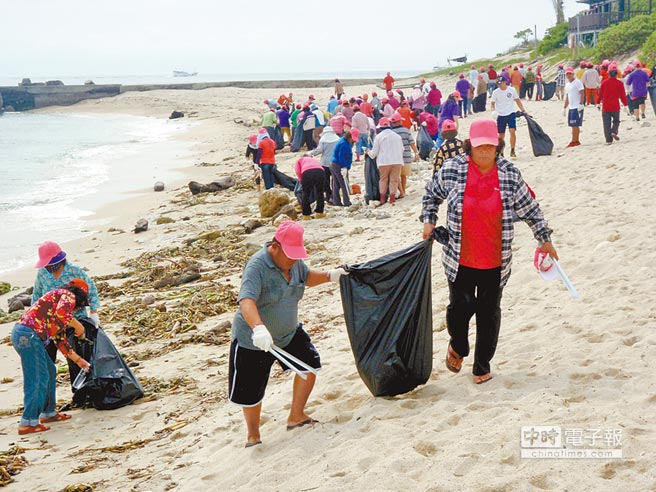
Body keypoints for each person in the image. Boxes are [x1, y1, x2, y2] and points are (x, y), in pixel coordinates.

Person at [421, 119, 557, 384]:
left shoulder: (509, 174)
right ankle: (459, 346)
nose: (485, 151)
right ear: (469, 146)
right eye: (480, 146)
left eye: (491, 147)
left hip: (495, 258)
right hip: (458, 256)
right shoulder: (452, 169)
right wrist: (428, 220)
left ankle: (482, 365)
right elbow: (430, 194)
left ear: (498, 147)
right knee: (459, 308)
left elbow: (530, 208)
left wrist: (544, 238)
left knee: (489, 312)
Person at [229, 221, 348, 447]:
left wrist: (331, 276)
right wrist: (259, 328)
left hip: (288, 334)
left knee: (309, 366)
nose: (293, 260)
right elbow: (246, 300)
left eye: (296, 256)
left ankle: (296, 416)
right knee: (251, 391)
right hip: (254, 340)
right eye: (289, 255)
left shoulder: (294, 264)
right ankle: (253, 435)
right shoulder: (257, 266)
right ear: (274, 246)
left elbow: (306, 276)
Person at [12, 279, 92, 435]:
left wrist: (79, 361)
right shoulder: (67, 295)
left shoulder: (57, 308)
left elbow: (60, 341)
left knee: (49, 371)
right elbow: (63, 313)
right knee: (38, 378)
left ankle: (48, 413)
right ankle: (27, 422)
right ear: (80, 295)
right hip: (28, 335)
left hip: (25, 334)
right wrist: (79, 326)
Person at [367, 117, 404, 206]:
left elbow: (374, 153)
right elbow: (402, 149)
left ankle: (383, 199)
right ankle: (392, 198)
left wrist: (368, 152)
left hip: (384, 161)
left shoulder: (379, 137)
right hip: (397, 160)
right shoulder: (397, 136)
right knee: (394, 180)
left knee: (383, 179)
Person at [490, 76, 527, 158]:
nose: (499, 85)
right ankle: (501, 153)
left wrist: (523, 110)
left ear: (504, 82)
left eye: (500, 83)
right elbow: (492, 103)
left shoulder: (511, 90)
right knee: (501, 135)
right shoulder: (495, 92)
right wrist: (493, 111)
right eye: (498, 84)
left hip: (511, 113)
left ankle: (512, 150)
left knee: (512, 131)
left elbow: (517, 100)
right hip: (500, 115)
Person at [597, 63, 628, 145]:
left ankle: (608, 140)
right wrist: (625, 105)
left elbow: (600, 94)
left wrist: (597, 103)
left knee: (606, 123)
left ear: (608, 73)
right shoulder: (619, 83)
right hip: (615, 106)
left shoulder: (604, 83)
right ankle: (614, 131)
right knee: (616, 121)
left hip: (606, 106)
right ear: (616, 73)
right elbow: (622, 96)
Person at [390, 112, 419, 198]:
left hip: (395, 156)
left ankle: (401, 191)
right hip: (406, 155)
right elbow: (412, 143)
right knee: (404, 175)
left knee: (397, 175)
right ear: (399, 121)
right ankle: (404, 191)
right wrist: (416, 153)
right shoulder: (406, 131)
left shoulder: (391, 132)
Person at [308, 125, 340, 202]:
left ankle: (329, 195)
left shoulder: (323, 140)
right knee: (335, 181)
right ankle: (335, 196)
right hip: (335, 162)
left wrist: (310, 154)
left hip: (325, 163)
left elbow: (319, 150)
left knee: (326, 181)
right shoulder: (337, 139)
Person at [330, 129, 358, 207]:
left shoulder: (344, 141)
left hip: (334, 163)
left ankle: (337, 201)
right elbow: (341, 156)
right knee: (344, 184)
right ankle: (346, 202)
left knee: (336, 183)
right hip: (339, 165)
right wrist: (344, 167)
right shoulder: (344, 144)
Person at [564, 66, 585, 148]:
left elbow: (582, 93)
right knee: (572, 124)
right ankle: (575, 140)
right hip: (571, 107)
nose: (569, 75)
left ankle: (574, 140)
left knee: (575, 124)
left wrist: (581, 103)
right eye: (567, 74)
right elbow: (568, 96)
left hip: (577, 106)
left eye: (570, 73)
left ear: (573, 74)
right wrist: (565, 107)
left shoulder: (577, 82)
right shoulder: (568, 84)